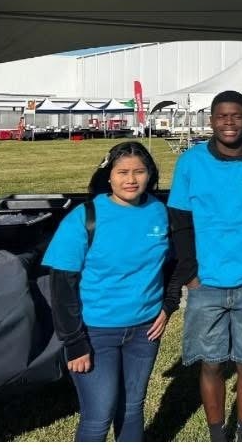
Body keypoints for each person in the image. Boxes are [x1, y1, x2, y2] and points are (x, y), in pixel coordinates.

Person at [43, 141, 178, 442]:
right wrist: (75, 342)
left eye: (139, 172)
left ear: (150, 175)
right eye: (122, 172)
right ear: (108, 176)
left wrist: (168, 305)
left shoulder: (159, 212)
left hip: (145, 332)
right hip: (95, 333)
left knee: (132, 408)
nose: (131, 180)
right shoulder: (85, 216)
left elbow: (173, 265)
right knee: (98, 414)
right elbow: (61, 285)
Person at [168, 90, 242, 442]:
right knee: (211, 363)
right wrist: (191, 274)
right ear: (211, 120)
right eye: (221, 116)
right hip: (206, 284)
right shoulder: (191, 161)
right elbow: (180, 220)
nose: (228, 122)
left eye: (236, 116)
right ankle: (218, 433)